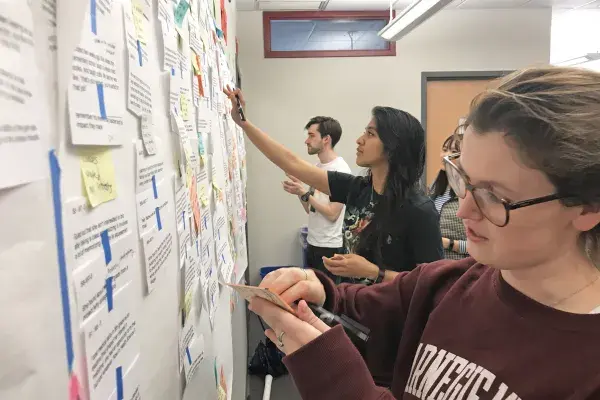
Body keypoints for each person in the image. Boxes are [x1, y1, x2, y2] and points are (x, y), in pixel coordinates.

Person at [247, 66, 600, 399]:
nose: (464, 211)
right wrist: (319, 290)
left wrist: (331, 372)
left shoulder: (583, 368)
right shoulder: (447, 283)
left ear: (587, 207)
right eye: (463, 180)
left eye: (494, 195)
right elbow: (368, 304)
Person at [224, 88, 443, 283]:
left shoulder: (419, 210)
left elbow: (432, 284)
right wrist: (243, 123)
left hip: (393, 322)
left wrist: (375, 273)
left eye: (370, 134)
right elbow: (290, 161)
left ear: (393, 147)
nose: (359, 140)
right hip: (354, 312)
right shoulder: (357, 189)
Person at [282, 116, 352, 282]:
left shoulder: (341, 171)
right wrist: (300, 190)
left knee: (328, 299)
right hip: (313, 242)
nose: (307, 140)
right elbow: (310, 209)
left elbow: (333, 214)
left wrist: (305, 193)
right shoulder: (317, 168)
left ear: (326, 139)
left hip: (330, 247)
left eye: (312, 135)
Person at [430, 132, 469, 260]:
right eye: (444, 150)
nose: (445, 155)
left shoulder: (469, 192)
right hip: (433, 265)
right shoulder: (435, 186)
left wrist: (449, 243)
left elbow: (483, 247)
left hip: (459, 268)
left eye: (453, 151)